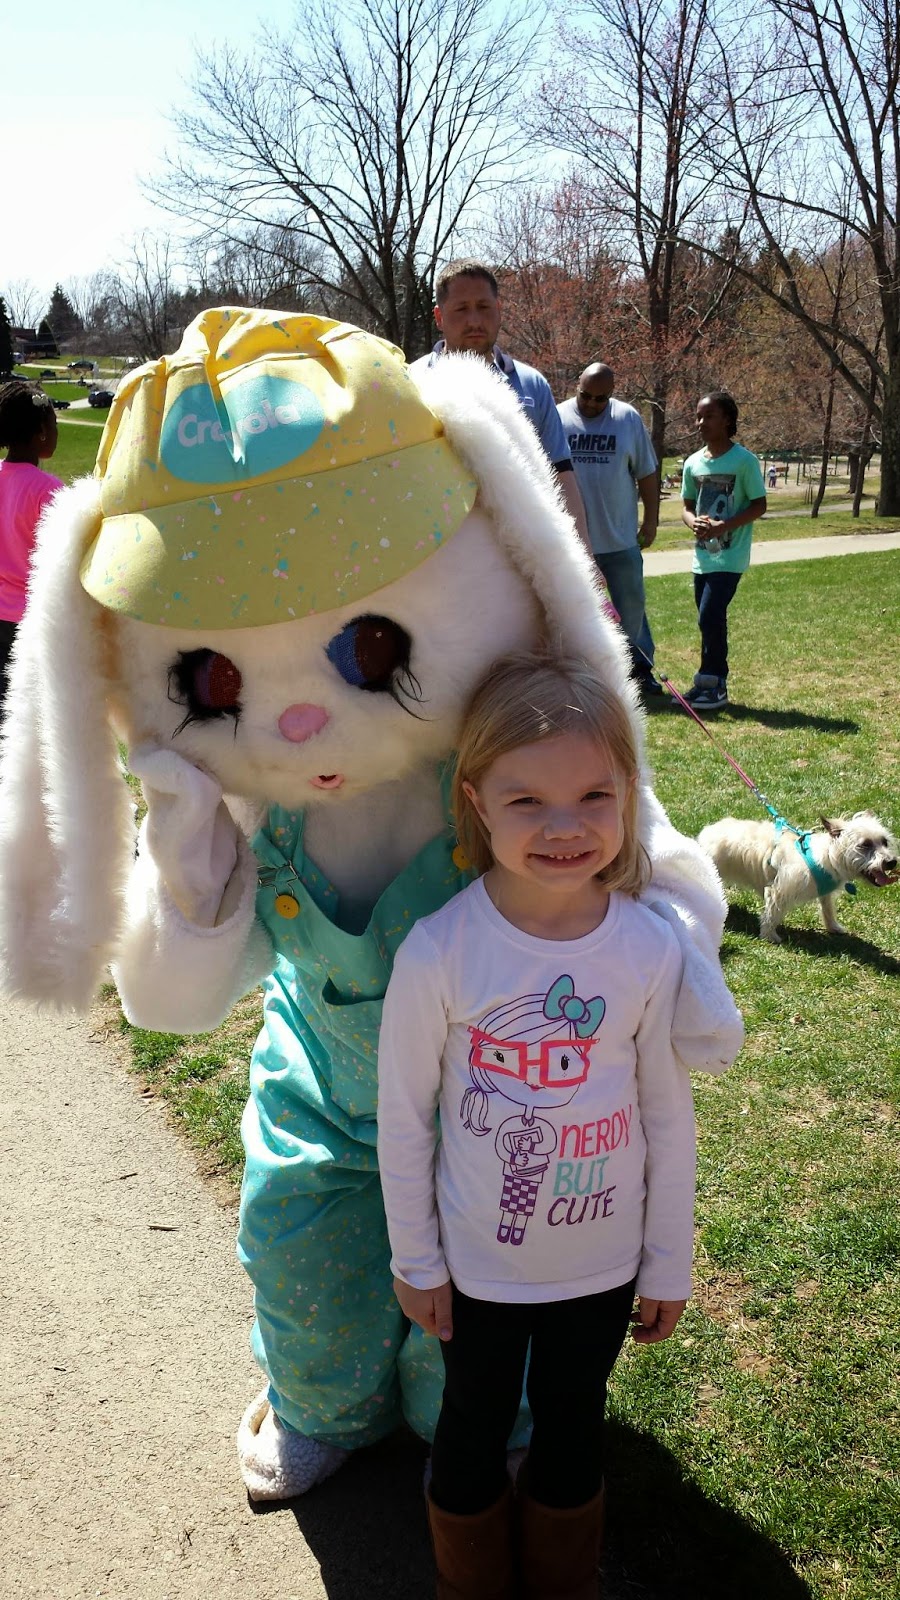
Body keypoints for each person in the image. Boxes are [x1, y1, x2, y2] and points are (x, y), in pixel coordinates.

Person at [378, 652, 710, 1600]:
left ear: (627, 796)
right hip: (475, 1274)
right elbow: (405, 1119)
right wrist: (418, 1260)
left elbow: (664, 1113)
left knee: (574, 1426)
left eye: (592, 796)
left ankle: (565, 1579)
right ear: (476, 802)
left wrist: (667, 1260)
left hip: (601, 1272)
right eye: (527, 802)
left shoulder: (646, 946)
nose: (564, 828)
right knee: (473, 1429)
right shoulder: (441, 950)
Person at [409, 260, 590, 551]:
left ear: (499, 310)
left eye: (483, 307)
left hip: (521, 555)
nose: (474, 321)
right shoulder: (411, 384)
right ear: (439, 317)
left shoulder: (532, 385)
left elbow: (561, 474)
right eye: (461, 309)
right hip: (439, 558)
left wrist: (584, 554)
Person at [557, 363, 664, 702]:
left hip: (619, 541)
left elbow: (647, 473)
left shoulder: (627, 419)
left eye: (600, 399)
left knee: (630, 608)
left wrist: (651, 520)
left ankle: (635, 671)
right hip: (572, 544)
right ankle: (585, 675)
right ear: (577, 386)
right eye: (585, 396)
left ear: (611, 394)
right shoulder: (557, 418)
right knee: (574, 612)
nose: (591, 404)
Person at [681, 391, 767, 711]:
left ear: (727, 420)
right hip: (702, 555)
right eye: (699, 416)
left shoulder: (744, 461)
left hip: (730, 556)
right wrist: (694, 523)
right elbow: (686, 507)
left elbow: (760, 505)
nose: (701, 422)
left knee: (710, 615)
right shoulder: (693, 463)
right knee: (708, 621)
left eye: (709, 416)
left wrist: (723, 526)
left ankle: (715, 684)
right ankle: (706, 681)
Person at [0, 381, 62, 710]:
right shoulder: (49, 491)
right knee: (30, 716)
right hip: (30, 623)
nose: (55, 431)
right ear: (40, 431)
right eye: (54, 424)